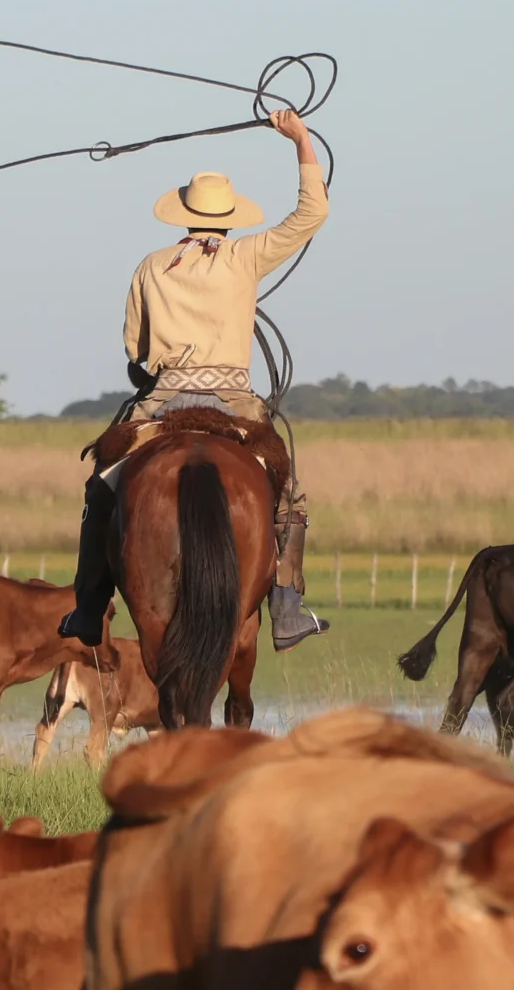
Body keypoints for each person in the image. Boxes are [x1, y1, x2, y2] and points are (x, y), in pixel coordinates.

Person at [61, 107, 332, 651]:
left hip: (161, 397)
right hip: (234, 398)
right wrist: (300, 138)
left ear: (183, 214)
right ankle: (286, 606)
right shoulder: (245, 256)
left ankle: (89, 607)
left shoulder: (151, 264)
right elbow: (311, 213)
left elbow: (133, 348)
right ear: (231, 216)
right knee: (287, 492)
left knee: (102, 486)